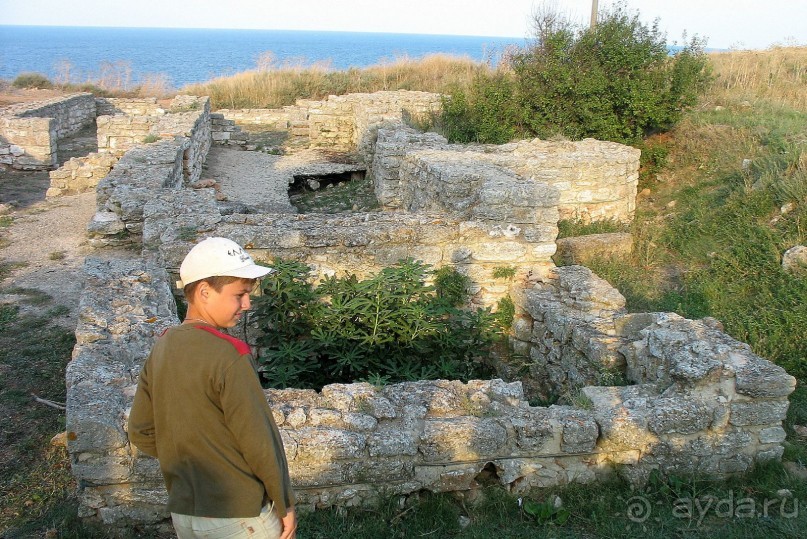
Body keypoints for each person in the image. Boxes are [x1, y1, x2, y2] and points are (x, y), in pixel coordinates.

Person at [128, 237, 297, 539]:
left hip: (186, 513)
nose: (247, 304)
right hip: (239, 515)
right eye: (240, 295)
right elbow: (259, 442)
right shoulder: (230, 354)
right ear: (204, 291)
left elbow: (141, 431)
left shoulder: (163, 347)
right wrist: (284, 503)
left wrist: (198, 466)